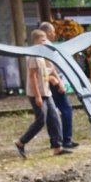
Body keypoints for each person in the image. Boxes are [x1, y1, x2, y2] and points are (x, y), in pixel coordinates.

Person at [15, 29, 63, 158]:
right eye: (43, 40)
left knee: (54, 117)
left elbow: (45, 72)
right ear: (36, 40)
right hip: (36, 93)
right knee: (41, 120)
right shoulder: (34, 55)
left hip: (46, 92)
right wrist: (37, 96)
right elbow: (33, 77)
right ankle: (21, 142)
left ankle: (57, 146)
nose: (45, 42)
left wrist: (52, 79)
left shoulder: (42, 55)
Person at [39, 21, 78, 149]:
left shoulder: (40, 46)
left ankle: (55, 141)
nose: (54, 34)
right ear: (47, 32)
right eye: (53, 32)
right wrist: (59, 83)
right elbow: (51, 68)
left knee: (51, 113)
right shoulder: (46, 47)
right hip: (52, 81)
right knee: (66, 108)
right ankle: (66, 139)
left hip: (47, 81)